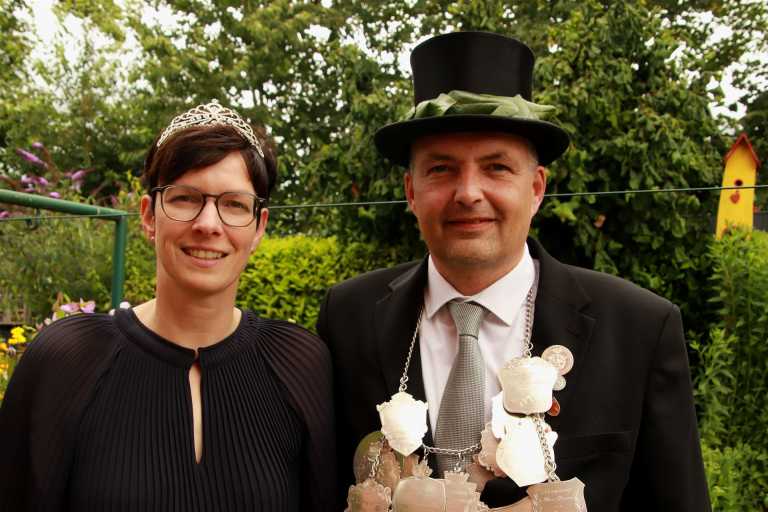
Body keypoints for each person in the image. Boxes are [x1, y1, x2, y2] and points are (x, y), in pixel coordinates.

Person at [317, 32, 710, 511]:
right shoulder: (348, 317)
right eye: (441, 169)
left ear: (537, 188)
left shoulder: (639, 327)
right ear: (411, 191)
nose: (468, 193)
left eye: (497, 167)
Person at [0, 102, 335, 511]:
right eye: (185, 198)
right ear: (148, 216)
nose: (208, 224)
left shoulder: (299, 363)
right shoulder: (67, 360)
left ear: (259, 227)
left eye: (234, 204)